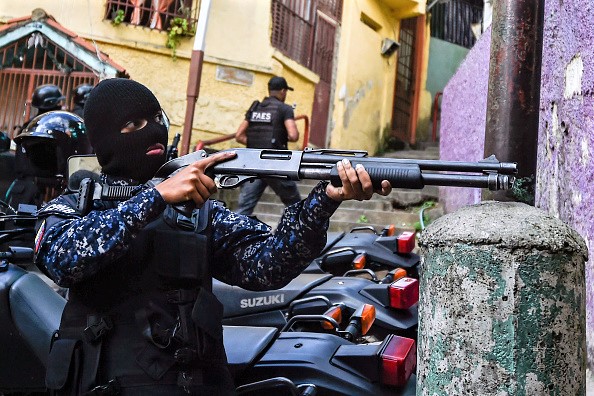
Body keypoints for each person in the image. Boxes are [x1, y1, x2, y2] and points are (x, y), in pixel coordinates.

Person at [34, 78, 392, 395]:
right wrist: (155, 197)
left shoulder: (197, 210)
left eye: (157, 119)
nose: (153, 132)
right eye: (134, 125)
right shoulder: (71, 209)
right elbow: (64, 260)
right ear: (106, 138)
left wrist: (323, 201)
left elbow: (267, 266)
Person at [234, 76, 302, 216]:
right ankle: (290, 235)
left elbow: (239, 135)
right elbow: (294, 135)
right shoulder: (285, 109)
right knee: (295, 205)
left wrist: (257, 142)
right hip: (274, 164)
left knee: (243, 209)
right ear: (283, 91)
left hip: (254, 164)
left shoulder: (255, 107)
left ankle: (230, 235)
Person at [7, 84, 67, 208]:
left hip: (23, 189)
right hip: (32, 193)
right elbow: (45, 163)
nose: (61, 106)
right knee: (28, 224)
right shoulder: (44, 131)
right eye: (58, 103)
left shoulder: (28, 126)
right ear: (51, 104)